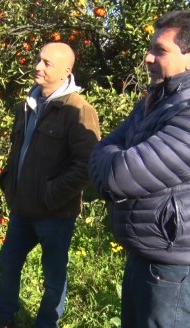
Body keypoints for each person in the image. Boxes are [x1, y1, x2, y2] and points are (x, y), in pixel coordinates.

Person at [0, 42, 100, 328]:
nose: (38, 67)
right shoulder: (27, 105)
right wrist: (9, 182)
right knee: (8, 262)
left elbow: (87, 165)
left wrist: (50, 194)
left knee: (53, 276)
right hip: (22, 208)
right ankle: (2, 315)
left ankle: (46, 324)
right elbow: (19, 150)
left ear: (66, 71)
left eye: (47, 63)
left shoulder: (78, 111)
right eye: (38, 60)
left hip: (55, 213)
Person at [89, 10, 190, 328]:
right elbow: (101, 151)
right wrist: (110, 156)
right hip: (144, 256)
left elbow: (119, 175)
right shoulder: (155, 101)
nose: (148, 58)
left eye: (160, 50)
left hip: (174, 271)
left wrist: (111, 158)